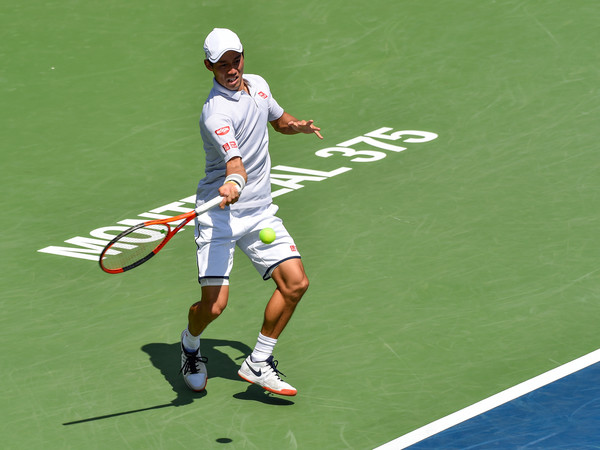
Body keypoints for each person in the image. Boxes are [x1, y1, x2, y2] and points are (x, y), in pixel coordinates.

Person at [179, 28, 323, 397]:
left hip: (258, 212)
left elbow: (277, 120)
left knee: (296, 283)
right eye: (221, 65)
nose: (231, 70)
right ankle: (190, 345)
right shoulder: (216, 113)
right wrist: (233, 182)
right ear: (208, 66)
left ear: (243, 56)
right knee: (213, 308)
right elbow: (236, 164)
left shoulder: (257, 84)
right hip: (220, 215)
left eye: (235, 60)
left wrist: (296, 126)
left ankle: (258, 362)